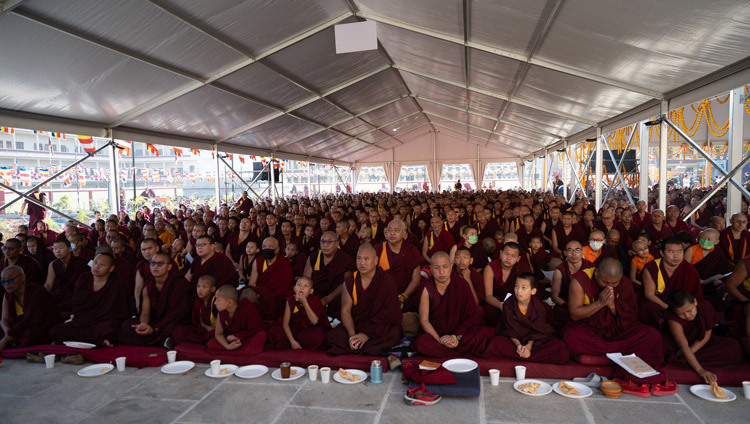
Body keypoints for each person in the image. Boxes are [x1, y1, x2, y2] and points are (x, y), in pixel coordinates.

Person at [563, 258, 665, 388]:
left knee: (652, 335)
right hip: (590, 331)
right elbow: (575, 315)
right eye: (604, 281)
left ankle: (597, 358)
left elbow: (631, 317)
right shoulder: (580, 281)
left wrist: (613, 306)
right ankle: (622, 357)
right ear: (596, 273)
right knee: (571, 336)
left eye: (614, 283)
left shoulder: (625, 283)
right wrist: (599, 304)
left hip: (618, 331)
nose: (609, 286)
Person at [327, 244, 403, 356]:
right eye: (359, 258)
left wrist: (366, 334)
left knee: (394, 333)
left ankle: (359, 347)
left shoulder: (386, 281)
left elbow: (389, 313)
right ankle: (359, 345)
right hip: (357, 325)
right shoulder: (350, 281)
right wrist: (352, 334)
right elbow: (345, 310)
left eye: (366, 259)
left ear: (376, 260)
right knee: (333, 336)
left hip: (378, 328)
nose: (362, 262)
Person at [414, 252, 492, 357]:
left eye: (445, 267)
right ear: (431, 269)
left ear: (451, 267)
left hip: (459, 334)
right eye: (437, 268)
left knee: (482, 335)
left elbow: (471, 316)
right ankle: (453, 349)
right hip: (436, 333)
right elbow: (424, 320)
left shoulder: (462, 284)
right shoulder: (426, 287)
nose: (441, 272)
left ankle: (448, 349)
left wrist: (455, 337)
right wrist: (440, 340)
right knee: (422, 342)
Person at [483, 273, 568, 364]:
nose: (518, 291)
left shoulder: (539, 306)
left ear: (533, 291)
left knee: (559, 346)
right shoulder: (508, 304)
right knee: (496, 343)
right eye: (516, 286)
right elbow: (510, 330)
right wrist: (519, 345)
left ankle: (521, 355)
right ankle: (526, 355)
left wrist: (528, 346)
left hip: (533, 340)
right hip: (513, 340)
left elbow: (538, 330)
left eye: (523, 288)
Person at [49, 253, 131, 347]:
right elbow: (78, 304)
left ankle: (91, 339)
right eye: (95, 262)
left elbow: (121, 312)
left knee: (111, 328)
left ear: (111, 268)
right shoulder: (84, 278)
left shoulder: (117, 284)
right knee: (54, 331)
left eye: (102, 264)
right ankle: (98, 341)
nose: (97, 266)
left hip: (103, 323)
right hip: (82, 322)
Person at [662, 290, 743, 384]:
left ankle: (685, 359)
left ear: (695, 302)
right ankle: (687, 359)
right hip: (678, 345)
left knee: (733, 346)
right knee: (664, 348)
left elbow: (707, 335)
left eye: (689, 310)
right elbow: (683, 346)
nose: (687, 316)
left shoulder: (705, 306)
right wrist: (700, 370)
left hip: (700, 343)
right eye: (681, 314)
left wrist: (690, 351)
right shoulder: (673, 320)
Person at [119, 252, 191, 346]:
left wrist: (155, 328)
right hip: (156, 321)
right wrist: (143, 325)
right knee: (126, 326)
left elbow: (180, 313)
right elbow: (145, 312)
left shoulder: (179, 283)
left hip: (174, 321)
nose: (155, 267)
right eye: (152, 263)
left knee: (177, 330)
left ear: (169, 267)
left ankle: (159, 339)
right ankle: (161, 341)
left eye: (160, 264)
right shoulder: (148, 286)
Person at [641, 237, 702, 327]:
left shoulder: (689, 269)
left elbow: (695, 294)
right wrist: (670, 308)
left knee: (704, 306)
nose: (676, 256)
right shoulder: (652, 268)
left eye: (680, 251)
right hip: (661, 304)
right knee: (648, 308)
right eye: (671, 252)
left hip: (684, 305)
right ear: (662, 253)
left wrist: (684, 308)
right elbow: (649, 294)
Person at [0, 266, 60, 351]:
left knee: (32, 334)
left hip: (38, 326)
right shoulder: (7, 295)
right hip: (17, 329)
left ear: (23, 277)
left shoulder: (37, 292)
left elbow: (30, 320)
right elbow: (3, 320)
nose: (6, 284)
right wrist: (7, 333)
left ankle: (14, 346)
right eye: (3, 281)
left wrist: (6, 338)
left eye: (10, 280)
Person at [268, 276, 329, 350]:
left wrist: (305, 303)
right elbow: (285, 324)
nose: (301, 288)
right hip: (294, 331)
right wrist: (292, 341)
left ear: (311, 291)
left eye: (305, 286)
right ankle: (295, 344)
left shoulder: (315, 300)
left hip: (308, 331)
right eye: (299, 285)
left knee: (317, 335)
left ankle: (297, 344)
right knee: (275, 331)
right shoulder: (290, 300)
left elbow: (314, 321)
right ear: (294, 288)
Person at [374, 219, 422, 311]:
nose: (392, 233)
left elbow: (416, 279)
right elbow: (370, 277)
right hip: (382, 296)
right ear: (386, 233)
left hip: (407, 296)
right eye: (390, 230)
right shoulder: (378, 249)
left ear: (404, 234)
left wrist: (403, 297)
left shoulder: (411, 250)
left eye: (396, 230)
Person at [303, 231, 354, 315]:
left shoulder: (346, 259)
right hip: (315, 293)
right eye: (322, 241)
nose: (325, 245)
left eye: (329, 242)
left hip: (335, 296)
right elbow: (306, 279)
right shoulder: (314, 257)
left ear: (337, 243)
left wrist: (327, 299)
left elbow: (345, 284)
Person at [244, 237, 294, 321]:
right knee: (246, 294)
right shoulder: (258, 260)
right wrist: (258, 293)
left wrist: (266, 294)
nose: (267, 249)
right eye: (264, 247)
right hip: (260, 294)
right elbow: (252, 283)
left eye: (270, 247)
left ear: (277, 250)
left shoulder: (284, 263)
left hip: (278, 297)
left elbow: (286, 286)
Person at [207, 285, 266, 356]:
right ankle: (238, 352)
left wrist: (237, 336)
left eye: (218, 300)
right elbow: (218, 334)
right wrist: (227, 346)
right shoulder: (221, 312)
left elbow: (256, 329)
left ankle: (233, 353)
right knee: (211, 344)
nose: (215, 303)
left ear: (230, 302)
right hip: (231, 341)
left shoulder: (248, 308)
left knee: (261, 335)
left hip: (246, 339)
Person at [483, 242, 532, 326]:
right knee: (490, 311)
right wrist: (502, 306)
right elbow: (488, 296)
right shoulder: (491, 267)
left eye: (513, 256)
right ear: (501, 253)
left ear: (518, 258)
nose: (508, 258)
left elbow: (527, 293)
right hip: (497, 302)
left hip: (516, 301)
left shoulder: (522, 268)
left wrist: (516, 306)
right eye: (506, 254)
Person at [44, 239, 90, 315]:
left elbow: (86, 283)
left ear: (70, 249)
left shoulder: (80, 262)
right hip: (59, 294)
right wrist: (43, 295)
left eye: (61, 248)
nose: (58, 251)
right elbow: (48, 284)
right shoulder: (53, 264)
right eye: (55, 249)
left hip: (75, 294)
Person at [550, 240, 592, 323]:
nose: (574, 253)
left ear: (582, 252)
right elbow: (555, 296)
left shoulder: (591, 267)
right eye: (570, 250)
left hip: (587, 306)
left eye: (577, 250)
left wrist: (586, 309)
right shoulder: (560, 270)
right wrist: (571, 307)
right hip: (566, 306)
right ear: (565, 253)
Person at [171, 275, 217, 346]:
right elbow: (198, 321)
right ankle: (205, 342)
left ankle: (207, 342)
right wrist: (205, 327)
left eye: (204, 287)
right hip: (203, 329)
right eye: (198, 286)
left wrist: (212, 329)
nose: (200, 290)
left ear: (213, 289)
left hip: (216, 329)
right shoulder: (198, 301)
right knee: (179, 330)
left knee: (217, 335)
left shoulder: (216, 301)